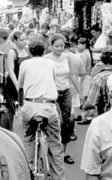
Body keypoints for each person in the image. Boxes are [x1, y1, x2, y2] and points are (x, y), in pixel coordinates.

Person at [18, 40, 65, 180]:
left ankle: (28, 171)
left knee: (28, 139)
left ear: (29, 51)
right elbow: (53, 82)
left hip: (29, 107)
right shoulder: (50, 63)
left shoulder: (24, 64)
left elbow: (20, 88)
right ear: (44, 51)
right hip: (48, 107)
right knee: (55, 143)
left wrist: (21, 104)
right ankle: (59, 177)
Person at [44, 34, 81, 165]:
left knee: (67, 122)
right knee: (56, 122)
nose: (60, 48)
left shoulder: (67, 58)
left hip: (65, 92)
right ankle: (51, 150)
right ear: (51, 46)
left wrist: (80, 91)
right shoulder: (46, 59)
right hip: (52, 93)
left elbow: (71, 75)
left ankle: (63, 152)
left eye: (62, 46)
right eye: (57, 46)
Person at [80, 46, 112, 124]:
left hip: (108, 117)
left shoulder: (99, 78)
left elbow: (91, 102)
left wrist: (84, 106)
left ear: (102, 59)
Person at [6, 31, 30, 129]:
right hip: (14, 81)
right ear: (15, 41)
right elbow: (10, 70)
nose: (24, 42)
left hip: (27, 80)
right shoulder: (12, 52)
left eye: (25, 39)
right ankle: (10, 127)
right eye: (21, 40)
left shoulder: (27, 50)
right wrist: (17, 84)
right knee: (12, 106)